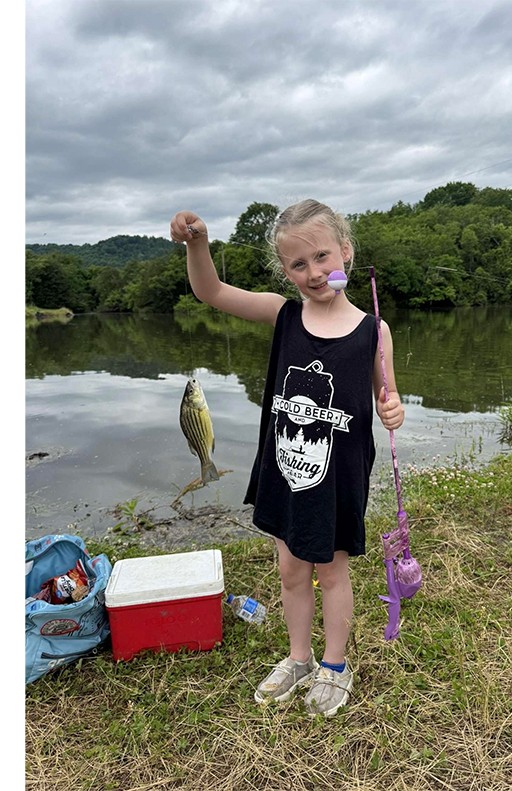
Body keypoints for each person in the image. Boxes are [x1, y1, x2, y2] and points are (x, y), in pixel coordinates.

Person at [170, 199, 404, 717]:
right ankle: (299, 657)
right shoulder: (284, 314)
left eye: (322, 255)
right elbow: (210, 291)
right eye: (298, 264)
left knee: (333, 571)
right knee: (291, 569)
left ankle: (335, 665)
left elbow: (387, 396)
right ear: (285, 271)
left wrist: (393, 408)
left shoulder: (374, 330)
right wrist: (198, 244)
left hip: (337, 477)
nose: (314, 272)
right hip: (284, 467)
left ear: (345, 250)